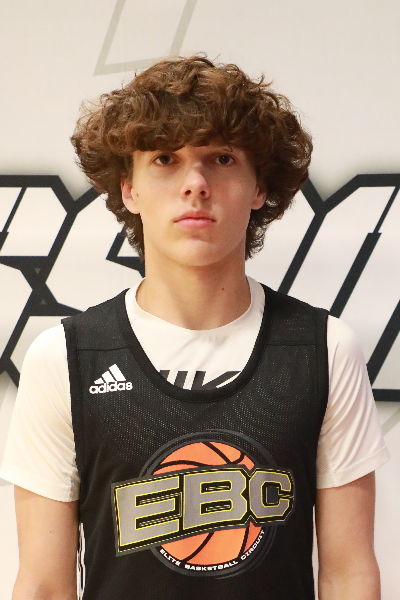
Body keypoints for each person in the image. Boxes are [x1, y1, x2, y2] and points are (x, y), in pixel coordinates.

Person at [0, 55, 389, 600]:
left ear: (259, 187)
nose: (196, 184)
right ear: (129, 189)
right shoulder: (65, 357)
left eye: (222, 158)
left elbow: (349, 576)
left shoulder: (323, 349)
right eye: (165, 159)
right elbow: (43, 585)